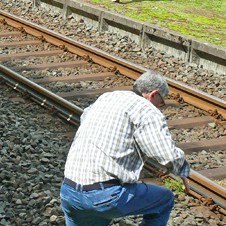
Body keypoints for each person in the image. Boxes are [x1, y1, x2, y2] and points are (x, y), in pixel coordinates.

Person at [60, 71, 190, 226]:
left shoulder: (107, 97)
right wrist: (182, 169)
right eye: (161, 102)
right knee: (164, 200)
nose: (159, 107)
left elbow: (84, 118)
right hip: (105, 196)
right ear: (154, 94)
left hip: (69, 192)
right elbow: (165, 154)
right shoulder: (146, 109)